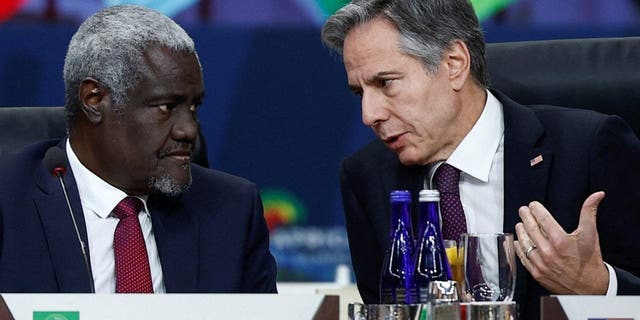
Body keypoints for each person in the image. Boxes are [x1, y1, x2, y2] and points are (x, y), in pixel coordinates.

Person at [321, 0, 640, 318]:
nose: (369, 115)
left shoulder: (587, 148)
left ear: (454, 63)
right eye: (360, 92)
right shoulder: (368, 176)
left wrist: (598, 286)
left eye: (385, 83)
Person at [0, 5, 276, 293]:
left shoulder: (230, 210)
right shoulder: (8, 201)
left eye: (193, 107)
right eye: (167, 107)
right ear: (94, 100)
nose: (189, 130)